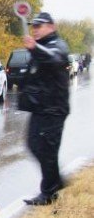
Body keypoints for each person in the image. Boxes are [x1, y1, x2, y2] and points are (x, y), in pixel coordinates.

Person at [18, 12, 70, 206]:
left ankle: (48, 193)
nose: (35, 30)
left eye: (40, 26)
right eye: (34, 26)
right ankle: (56, 182)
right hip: (41, 108)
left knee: (47, 150)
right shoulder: (42, 48)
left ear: (52, 27)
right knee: (33, 145)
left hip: (54, 109)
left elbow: (55, 60)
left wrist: (35, 48)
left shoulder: (57, 46)